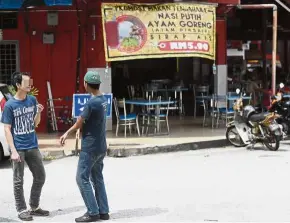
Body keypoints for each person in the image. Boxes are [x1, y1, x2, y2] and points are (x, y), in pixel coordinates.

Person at [60, 71, 110, 222]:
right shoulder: (103, 99)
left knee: (81, 178)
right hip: (101, 145)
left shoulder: (91, 103)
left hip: (90, 147)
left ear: (86, 84)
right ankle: (104, 211)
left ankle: (92, 212)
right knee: (97, 178)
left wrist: (65, 134)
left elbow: (79, 123)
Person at [1, 72, 48, 221]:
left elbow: (35, 124)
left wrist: (39, 112)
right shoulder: (10, 105)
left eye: (30, 81)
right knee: (18, 180)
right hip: (18, 148)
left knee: (40, 176)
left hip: (32, 145)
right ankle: (21, 209)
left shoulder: (32, 100)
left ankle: (34, 206)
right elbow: (7, 128)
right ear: (18, 85)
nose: (30, 84)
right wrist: (13, 150)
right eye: (27, 82)